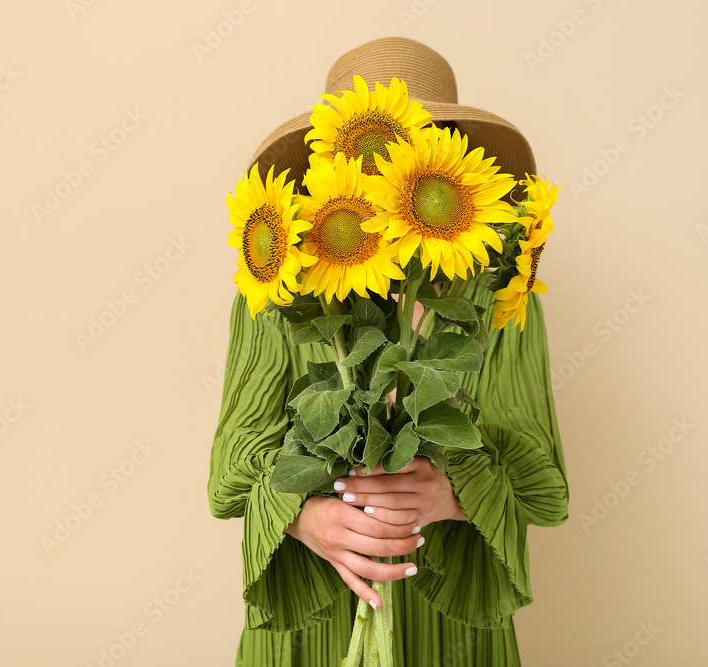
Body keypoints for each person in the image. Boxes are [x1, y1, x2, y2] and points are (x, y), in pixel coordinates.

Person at [209, 37, 569, 666]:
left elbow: (542, 485)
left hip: (449, 617)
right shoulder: (278, 285)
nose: (386, 173)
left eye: (413, 148)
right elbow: (229, 476)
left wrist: (449, 495)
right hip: (316, 614)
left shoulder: (500, 292)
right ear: (332, 165)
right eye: (369, 154)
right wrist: (306, 518)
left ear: (445, 165)